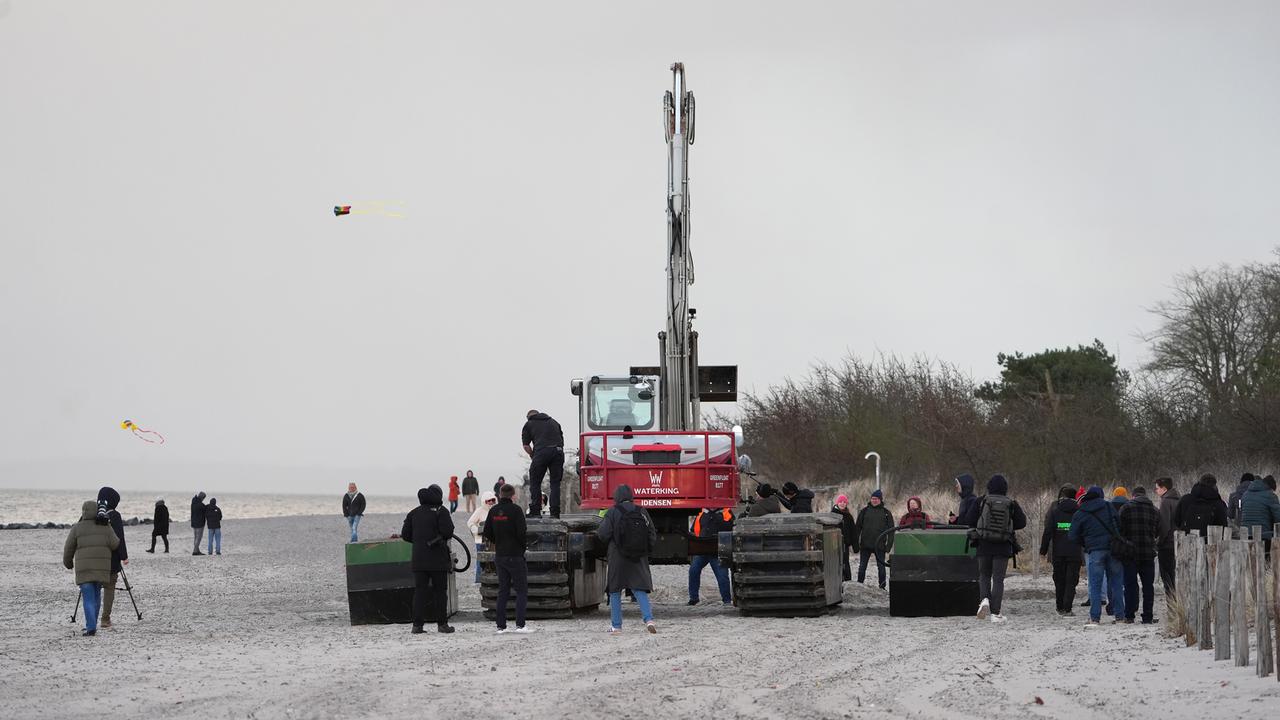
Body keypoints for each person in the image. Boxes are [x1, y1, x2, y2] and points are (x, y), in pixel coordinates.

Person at [957, 475, 1027, 623]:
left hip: (984, 545)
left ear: (989, 487)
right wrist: (1007, 526)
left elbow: (969, 520)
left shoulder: (981, 501)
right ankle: (996, 614)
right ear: (1005, 488)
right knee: (998, 579)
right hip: (1003, 546)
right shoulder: (1011, 503)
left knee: (984, 575)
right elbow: (1022, 523)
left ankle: (984, 600)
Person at [596, 485, 657, 634]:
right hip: (639, 555)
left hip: (617, 556)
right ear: (631, 496)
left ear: (616, 497)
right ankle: (648, 619)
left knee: (615, 590)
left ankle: (616, 626)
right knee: (639, 588)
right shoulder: (642, 511)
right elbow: (652, 535)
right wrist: (645, 551)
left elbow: (603, 534)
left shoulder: (612, 512)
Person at [400, 486, 456, 634]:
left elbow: (405, 535)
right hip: (438, 560)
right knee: (440, 592)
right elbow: (448, 532)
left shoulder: (413, 513)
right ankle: (442, 624)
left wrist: (419, 541)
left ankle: (417, 625)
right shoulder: (441, 511)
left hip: (419, 559)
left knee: (419, 592)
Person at [1070, 485, 1126, 625]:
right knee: (1117, 583)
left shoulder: (1081, 511)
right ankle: (1119, 615)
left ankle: (1095, 617)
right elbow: (1119, 525)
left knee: (1095, 585)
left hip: (1094, 551)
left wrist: (1086, 543)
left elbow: (1072, 536)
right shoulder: (1108, 506)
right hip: (1113, 549)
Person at [63, 500, 120, 636]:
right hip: (101, 569)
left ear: (83, 512)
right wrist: (108, 526)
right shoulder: (105, 527)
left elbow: (68, 548)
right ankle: (92, 624)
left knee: (88, 597)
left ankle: (91, 627)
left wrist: (68, 563)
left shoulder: (76, 528)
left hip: (84, 570)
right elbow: (115, 544)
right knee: (96, 596)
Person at [483, 484, 535, 634]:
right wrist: (521, 548)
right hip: (515, 555)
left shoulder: (493, 511)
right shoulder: (516, 510)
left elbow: (487, 532)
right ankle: (520, 625)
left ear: (500, 495)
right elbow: (522, 532)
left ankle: (501, 626)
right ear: (513, 496)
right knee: (521, 590)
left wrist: (498, 542)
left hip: (500, 555)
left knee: (503, 591)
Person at [1039, 485, 1083, 615]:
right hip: (1074, 551)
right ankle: (1068, 608)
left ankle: (1060, 607)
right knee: (1072, 580)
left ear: (1063, 496)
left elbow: (1048, 531)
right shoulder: (1080, 511)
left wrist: (1043, 550)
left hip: (1058, 551)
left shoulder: (1055, 511)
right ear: (1075, 496)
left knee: (1059, 579)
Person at [1119, 487, 1160, 624]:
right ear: (1145, 495)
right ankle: (1147, 616)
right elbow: (1158, 531)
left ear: (1133, 495)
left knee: (1130, 585)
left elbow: (1119, 529)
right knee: (1148, 586)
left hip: (1130, 553)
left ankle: (1129, 615)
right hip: (1148, 552)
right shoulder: (1154, 510)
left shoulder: (1125, 508)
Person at [521, 410, 565, 518]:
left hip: (541, 452)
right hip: (558, 451)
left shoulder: (529, 424)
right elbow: (561, 441)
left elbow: (526, 446)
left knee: (535, 482)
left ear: (529, 417)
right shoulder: (554, 422)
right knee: (555, 484)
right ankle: (555, 513)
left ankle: (535, 511)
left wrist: (533, 455)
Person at [96, 487, 128, 629]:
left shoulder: (91, 513)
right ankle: (105, 619)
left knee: (94, 587)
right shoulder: (114, 515)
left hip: (93, 559)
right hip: (112, 559)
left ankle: (92, 618)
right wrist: (124, 556)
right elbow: (120, 537)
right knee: (109, 588)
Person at [688, 507, 733, 605]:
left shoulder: (726, 512)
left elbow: (730, 527)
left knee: (722, 576)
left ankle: (727, 600)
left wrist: (714, 515)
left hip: (718, 550)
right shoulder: (702, 513)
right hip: (702, 550)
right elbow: (694, 530)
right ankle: (693, 598)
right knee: (693, 571)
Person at [855, 489, 894, 590]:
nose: (874, 500)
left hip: (880, 546)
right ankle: (859, 585)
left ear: (880, 500)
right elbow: (857, 528)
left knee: (881, 568)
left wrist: (888, 546)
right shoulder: (864, 511)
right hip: (865, 545)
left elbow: (891, 531)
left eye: (876, 499)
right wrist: (856, 544)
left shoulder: (886, 513)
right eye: (872, 498)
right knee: (862, 567)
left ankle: (882, 587)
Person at [1239, 475, 1280, 557]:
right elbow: (1278, 518)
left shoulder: (1245, 495)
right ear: (1270, 487)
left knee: (1249, 560)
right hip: (1264, 536)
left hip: (1245, 535)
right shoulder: (1270, 496)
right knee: (1265, 559)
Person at [1153, 477, 1180, 593]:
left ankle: (1171, 599)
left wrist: (1159, 542)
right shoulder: (1179, 499)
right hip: (1178, 541)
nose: (1156, 491)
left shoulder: (1165, 501)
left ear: (1164, 489)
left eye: (1157, 488)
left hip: (1167, 543)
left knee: (1166, 575)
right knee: (1174, 573)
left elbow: (1164, 525)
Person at [468, 490, 497, 583]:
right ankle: (478, 580)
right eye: (489, 500)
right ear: (484, 501)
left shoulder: (496, 510)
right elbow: (470, 523)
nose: (491, 502)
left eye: (493, 500)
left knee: (493, 561)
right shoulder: (479, 511)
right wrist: (477, 531)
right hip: (480, 541)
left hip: (494, 542)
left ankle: (492, 580)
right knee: (480, 562)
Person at [833, 494, 856, 581]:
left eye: (844, 502)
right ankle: (837, 580)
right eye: (840, 502)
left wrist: (855, 545)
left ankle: (847, 580)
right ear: (837, 503)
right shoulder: (832, 515)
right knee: (836, 562)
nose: (842, 503)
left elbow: (853, 531)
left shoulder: (848, 516)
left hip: (845, 544)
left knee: (845, 562)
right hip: (834, 544)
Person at [190, 491, 207, 555]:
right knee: (199, 537)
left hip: (194, 522)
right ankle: (195, 551)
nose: (203, 499)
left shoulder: (193, 502)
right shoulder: (200, 505)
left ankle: (197, 550)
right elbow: (204, 509)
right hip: (200, 523)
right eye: (203, 498)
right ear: (202, 497)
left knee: (195, 537)